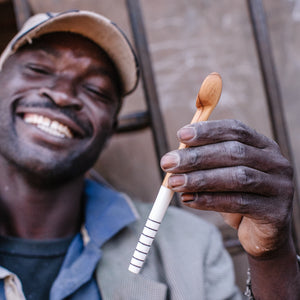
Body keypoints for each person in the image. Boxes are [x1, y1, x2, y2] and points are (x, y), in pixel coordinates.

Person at [0, 9, 298, 300]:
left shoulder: (189, 246)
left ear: (110, 130)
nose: (63, 94)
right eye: (38, 70)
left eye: (96, 89)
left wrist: (272, 259)